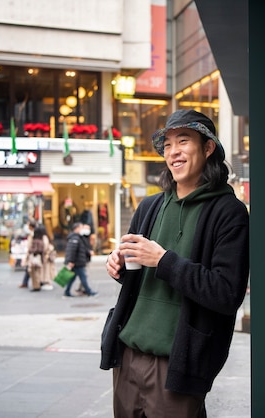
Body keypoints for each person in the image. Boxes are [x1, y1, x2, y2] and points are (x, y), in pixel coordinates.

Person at [102, 109, 250, 417]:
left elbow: (226, 293)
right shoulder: (149, 207)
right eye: (167, 145)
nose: (174, 152)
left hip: (178, 363)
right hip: (128, 355)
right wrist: (118, 265)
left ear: (208, 148)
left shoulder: (228, 212)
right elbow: (136, 273)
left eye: (183, 141)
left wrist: (163, 261)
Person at [63, 222, 97, 297]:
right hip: (77, 262)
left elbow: (83, 248)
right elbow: (71, 250)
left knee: (72, 278)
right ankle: (89, 291)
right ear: (77, 228)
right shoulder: (75, 238)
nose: (83, 229)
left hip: (77, 262)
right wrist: (70, 261)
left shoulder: (79, 237)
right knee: (83, 277)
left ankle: (67, 291)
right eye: (81, 228)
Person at [18, 219, 36, 288]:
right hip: (31, 253)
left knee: (29, 268)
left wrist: (29, 252)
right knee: (28, 268)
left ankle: (25, 282)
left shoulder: (33, 233)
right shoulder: (32, 233)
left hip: (32, 253)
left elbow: (31, 244)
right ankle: (25, 282)